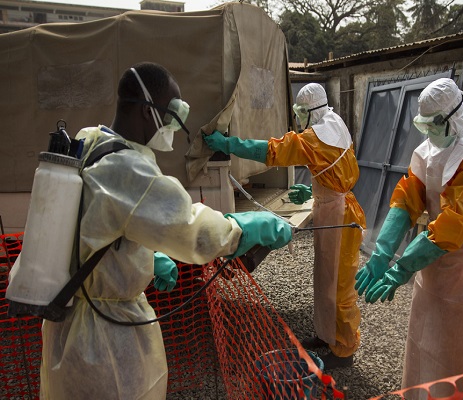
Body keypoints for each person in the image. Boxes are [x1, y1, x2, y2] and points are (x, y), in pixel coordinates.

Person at [39, 62, 292, 400]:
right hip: (102, 341)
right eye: (172, 111)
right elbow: (190, 228)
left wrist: (144, 255)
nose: (176, 124)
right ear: (147, 111)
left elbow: (98, 223)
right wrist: (243, 229)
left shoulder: (91, 142)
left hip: (66, 324)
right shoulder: (127, 169)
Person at [355, 78, 463, 392]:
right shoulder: (429, 150)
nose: (429, 134)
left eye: (433, 126)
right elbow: (406, 198)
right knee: (425, 343)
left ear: (452, 118)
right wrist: (382, 253)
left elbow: (454, 222)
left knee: (462, 353)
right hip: (431, 261)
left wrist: (402, 267)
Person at [203, 83, 366, 370]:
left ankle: (344, 351)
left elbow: (270, 151)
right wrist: (317, 189)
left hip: (339, 216)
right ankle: (328, 336)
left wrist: (228, 145)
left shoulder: (315, 139)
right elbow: (335, 167)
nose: (299, 117)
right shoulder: (334, 122)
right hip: (337, 205)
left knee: (339, 284)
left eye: (301, 112)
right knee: (326, 277)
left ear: (311, 110)